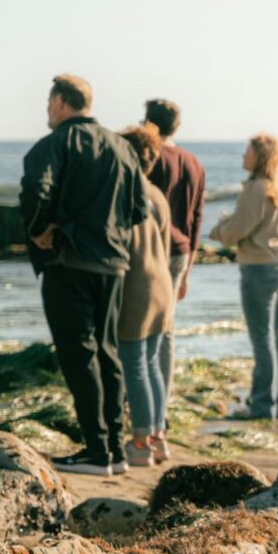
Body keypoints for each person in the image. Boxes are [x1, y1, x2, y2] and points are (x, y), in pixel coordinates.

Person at [20, 74, 149, 476]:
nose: (46, 109)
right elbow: (140, 210)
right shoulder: (124, 148)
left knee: (79, 355)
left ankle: (96, 450)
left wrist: (39, 230)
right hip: (113, 262)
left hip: (69, 262)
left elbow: (35, 194)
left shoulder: (53, 144)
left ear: (61, 102)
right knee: (108, 352)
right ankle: (114, 449)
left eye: (48, 101)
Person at [211, 133, 278, 420]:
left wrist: (220, 227)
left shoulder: (255, 188)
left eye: (247, 151)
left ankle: (262, 405)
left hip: (260, 270)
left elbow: (238, 230)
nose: (243, 156)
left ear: (259, 156)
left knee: (263, 340)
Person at [116, 125, 177, 468]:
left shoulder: (126, 191)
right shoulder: (156, 193)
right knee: (151, 363)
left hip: (138, 285)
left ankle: (140, 442)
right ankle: (157, 436)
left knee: (135, 364)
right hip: (162, 283)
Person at [143, 98, 205, 405]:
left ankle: (144, 400)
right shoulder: (193, 162)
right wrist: (188, 270)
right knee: (166, 327)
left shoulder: (152, 159)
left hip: (152, 250)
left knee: (140, 328)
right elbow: (196, 220)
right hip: (181, 252)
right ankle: (162, 402)